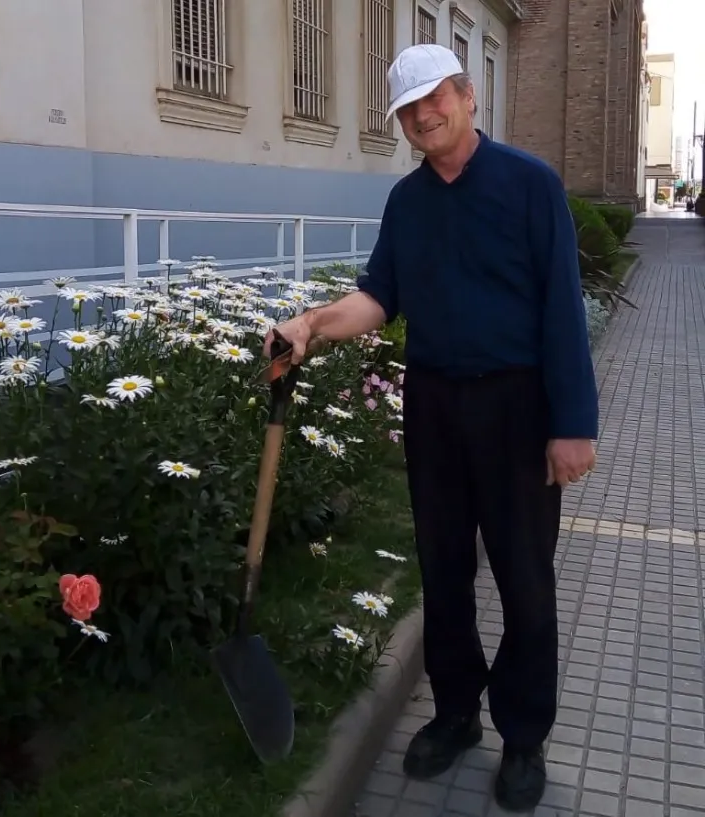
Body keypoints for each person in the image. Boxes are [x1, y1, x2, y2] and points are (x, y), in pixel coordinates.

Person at [267, 43, 598, 812]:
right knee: (442, 568)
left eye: (436, 98)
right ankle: (456, 715)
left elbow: (561, 309)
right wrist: (311, 325)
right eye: (410, 108)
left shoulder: (529, 185)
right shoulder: (407, 204)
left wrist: (572, 423)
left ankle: (523, 734)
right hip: (436, 405)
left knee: (524, 577)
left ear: (468, 95)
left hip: (518, 408)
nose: (425, 115)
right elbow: (379, 295)